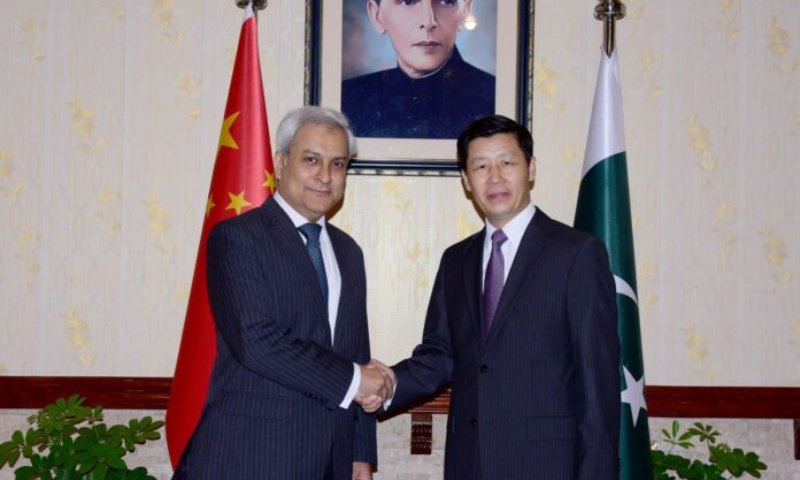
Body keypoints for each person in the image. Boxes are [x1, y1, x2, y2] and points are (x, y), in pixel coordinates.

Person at [369, 115, 621, 480]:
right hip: (469, 464)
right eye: (481, 166)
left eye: (507, 162)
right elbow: (440, 355)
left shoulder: (577, 254)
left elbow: (598, 385)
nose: (495, 177)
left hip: (547, 466)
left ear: (530, 169)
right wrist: (388, 384)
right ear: (466, 180)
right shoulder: (456, 260)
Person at [172, 107, 394, 480]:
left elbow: (356, 349)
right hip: (251, 458)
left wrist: (360, 455)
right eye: (311, 160)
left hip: (332, 461)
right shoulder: (237, 238)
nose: (325, 176)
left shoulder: (349, 252)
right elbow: (256, 342)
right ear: (280, 162)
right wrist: (355, 380)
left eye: (338, 164)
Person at [341, 0, 495, 139]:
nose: (428, 22)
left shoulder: (492, 96)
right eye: (408, 2)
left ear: (465, 11)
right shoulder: (349, 98)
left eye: (446, 1)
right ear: (377, 16)